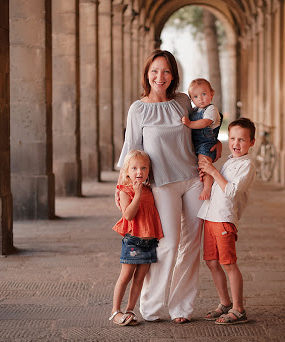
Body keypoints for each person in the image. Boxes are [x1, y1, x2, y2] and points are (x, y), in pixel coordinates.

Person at [116, 49, 222, 324]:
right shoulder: (138, 109)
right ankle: (150, 307)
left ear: (173, 75)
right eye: (154, 71)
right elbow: (132, 150)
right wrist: (122, 189)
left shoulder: (183, 101)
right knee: (168, 244)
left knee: (191, 245)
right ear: (147, 74)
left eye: (165, 71)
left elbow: (203, 128)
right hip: (162, 184)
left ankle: (181, 308)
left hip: (192, 179)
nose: (159, 76)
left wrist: (215, 144)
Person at [197, 117, 256, 325]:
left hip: (224, 220)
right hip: (210, 217)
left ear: (252, 142)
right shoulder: (230, 160)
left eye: (242, 140)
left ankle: (239, 309)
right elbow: (219, 187)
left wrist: (213, 170)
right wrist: (208, 174)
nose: (236, 144)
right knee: (212, 262)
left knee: (229, 264)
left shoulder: (247, 165)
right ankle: (225, 303)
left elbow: (230, 191)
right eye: (232, 138)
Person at [109, 150, 164, 326]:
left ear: (149, 171)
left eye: (143, 168)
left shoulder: (150, 189)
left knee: (140, 279)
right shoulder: (126, 190)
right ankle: (115, 311)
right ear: (127, 171)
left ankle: (130, 310)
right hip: (133, 241)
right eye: (134, 168)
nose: (139, 172)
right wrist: (137, 194)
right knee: (126, 276)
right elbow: (128, 215)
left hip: (149, 242)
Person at [182, 78, 222, 200]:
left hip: (206, 143)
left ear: (212, 93)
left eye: (204, 94)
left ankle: (207, 187)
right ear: (191, 99)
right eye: (195, 96)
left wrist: (189, 124)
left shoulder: (211, 109)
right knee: (200, 166)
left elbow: (205, 122)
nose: (200, 99)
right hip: (196, 144)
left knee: (205, 164)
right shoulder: (195, 110)